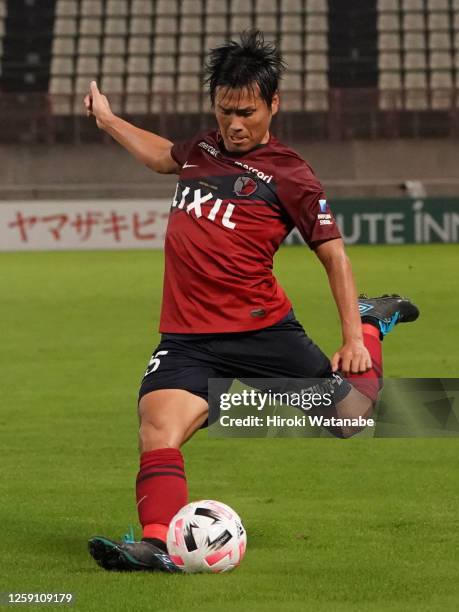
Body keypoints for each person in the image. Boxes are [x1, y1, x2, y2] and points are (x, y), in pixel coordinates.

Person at [85, 31, 419, 573]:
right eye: (224, 111)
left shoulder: (291, 174)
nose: (233, 124)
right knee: (157, 429)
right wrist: (108, 120)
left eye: (245, 112)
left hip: (264, 334)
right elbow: (161, 158)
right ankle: (155, 545)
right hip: (189, 338)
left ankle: (375, 319)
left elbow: (334, 257)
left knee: (352, 419)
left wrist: (354, 340)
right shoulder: (201, 148)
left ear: (273, 105)